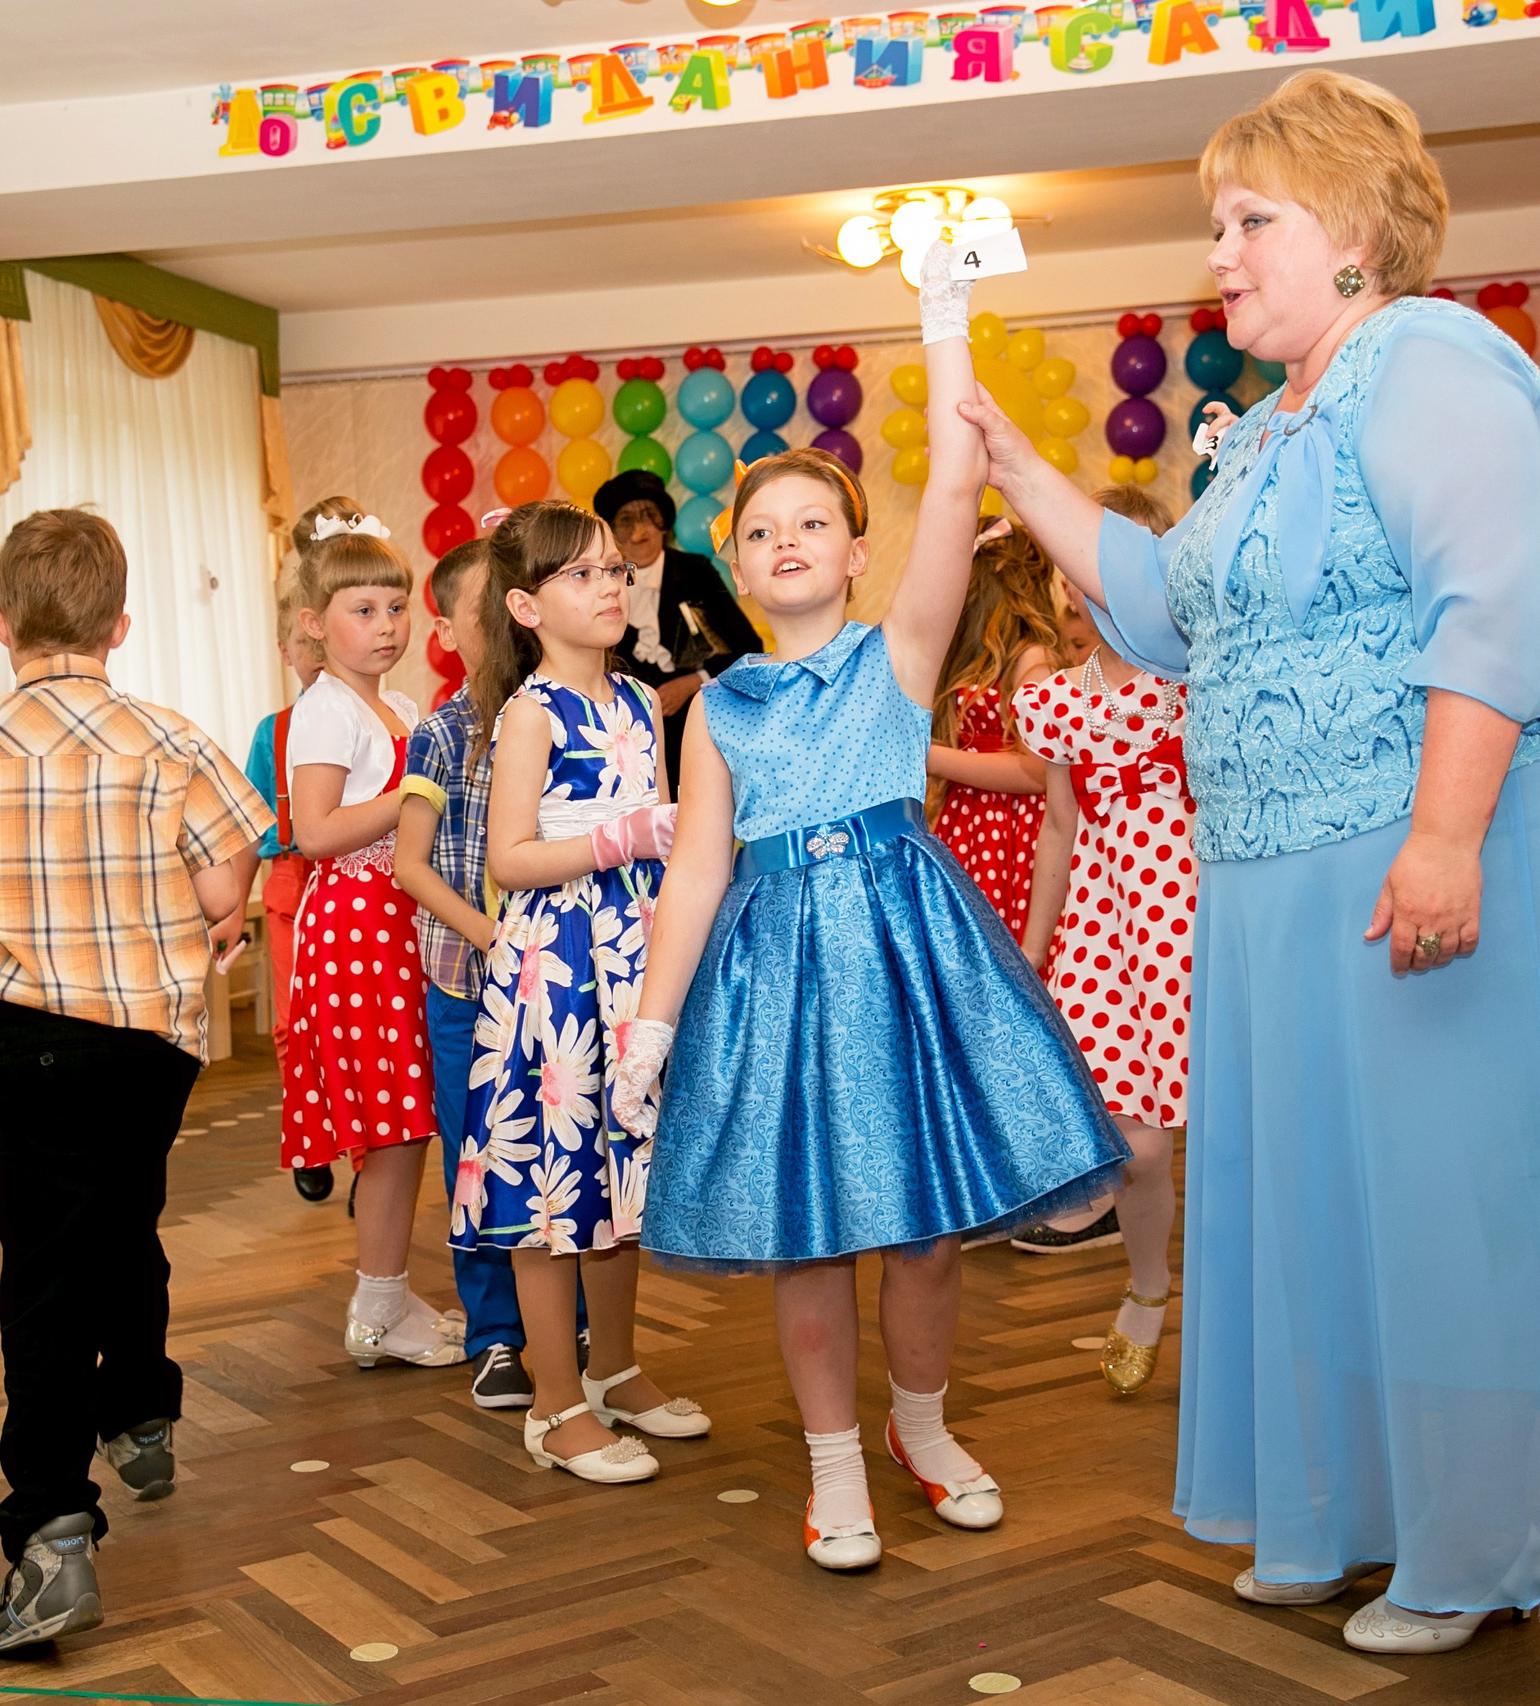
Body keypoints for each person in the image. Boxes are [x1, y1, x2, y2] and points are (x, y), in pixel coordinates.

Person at [959, 69, 1540, 1653]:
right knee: (1322, 1200)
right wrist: (1013, 467)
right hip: (1282, 873)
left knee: (1456, 1198)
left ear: (1354, 233)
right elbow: (1160, 610)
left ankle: (1484, 1538)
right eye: (1216, 224)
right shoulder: (1262, 435)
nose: (1221, 253)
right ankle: (1344, 1510)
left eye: (1250, 220)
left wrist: (1447, 838)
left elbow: (1495, 601)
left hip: (1436, 838)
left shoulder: (1431, 362)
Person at [612, 250, 1127, 1573]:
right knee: (808, 1241)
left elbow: (959, 479)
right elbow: (697, 872)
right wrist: (653, 1030)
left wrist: (942, 313)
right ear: (734, 562)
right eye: (760, 528)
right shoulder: (722, 706)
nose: (786, 542)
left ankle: (922, 1424)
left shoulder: (898, 653)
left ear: (854, 551)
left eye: (810, 523)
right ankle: (833, 1458)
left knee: (929, 1232)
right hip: (776, 976)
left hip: (908, 959)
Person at [0, 507, 267, 1654]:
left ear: (1, 620)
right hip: (152, 1042)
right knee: (126, 1221)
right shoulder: (170, 737)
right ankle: (142, 1406)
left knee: (45, 1279)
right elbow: (228, 893)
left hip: (31, 1040)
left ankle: (52, 1533)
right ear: (120, 624)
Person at [453, 503, 702, 1485]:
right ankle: (554, 1404)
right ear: (524, 605)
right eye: (582, 574)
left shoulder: (641, 701)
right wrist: (619, 838)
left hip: (630, 958)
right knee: (554, 1184)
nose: (610, 585)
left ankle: (616, 1366)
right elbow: (509, 857)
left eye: (613, 569)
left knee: (619, 1174)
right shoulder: (530, 712)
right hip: (553, 970)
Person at [1010, 487, 1192, 1394]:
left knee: (1235, 1129)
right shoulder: (1055, 702)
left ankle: (1253, 1304)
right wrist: (1036, 952)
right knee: (1140, 1144)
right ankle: (1151, 1284)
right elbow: (1056, 828)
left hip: (1196, 915)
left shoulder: (1201, 681)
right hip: (1105, 923)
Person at [277, 508, 463, 1372]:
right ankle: (378, 1307)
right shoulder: (323, 713)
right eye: (364, 609)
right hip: (355, 926)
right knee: (390, 1127)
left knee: (406, 1122)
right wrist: (419, 787)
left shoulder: (395, 705)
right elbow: (313, 833)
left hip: (398, 920)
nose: (387, 626)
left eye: (397, 607)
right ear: (315, 623)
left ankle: (385, 1294)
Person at [392, 536, 547, 1410]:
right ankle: (495, 1334)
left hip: (558, 984)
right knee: (476, 1158)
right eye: (481, 606)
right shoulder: (441, 734)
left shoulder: (559, 714)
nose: (500, 618)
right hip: (466, 982)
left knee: (566, 1145)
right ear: (449, 629)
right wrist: (491, 936)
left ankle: (570, 1326)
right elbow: (412, 865)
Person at [925, 522, 1069, 941]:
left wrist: (930, 755)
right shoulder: (975, 662)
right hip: (969, 828)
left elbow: (1037, 771)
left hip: (1009, 838)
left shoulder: (1033, 661)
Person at [591, 468, 764, 796]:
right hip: (625, 742)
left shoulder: (695, 573)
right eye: (627, 521)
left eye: (649, 516)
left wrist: (694, 681)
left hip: (696, 730)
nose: (640, 532)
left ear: (664, 523)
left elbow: (749, 649)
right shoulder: (602, 584)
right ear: (613, 533)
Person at [245, 563, 328, 1202]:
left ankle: (366, 1148)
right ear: (286, 650)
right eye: (304, 644)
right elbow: (247, 825)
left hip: (355, 874)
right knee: (293, 1021)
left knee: (349, 1020)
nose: (315, 656)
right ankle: (312, 1138)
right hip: (292, 879)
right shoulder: (272, 733)